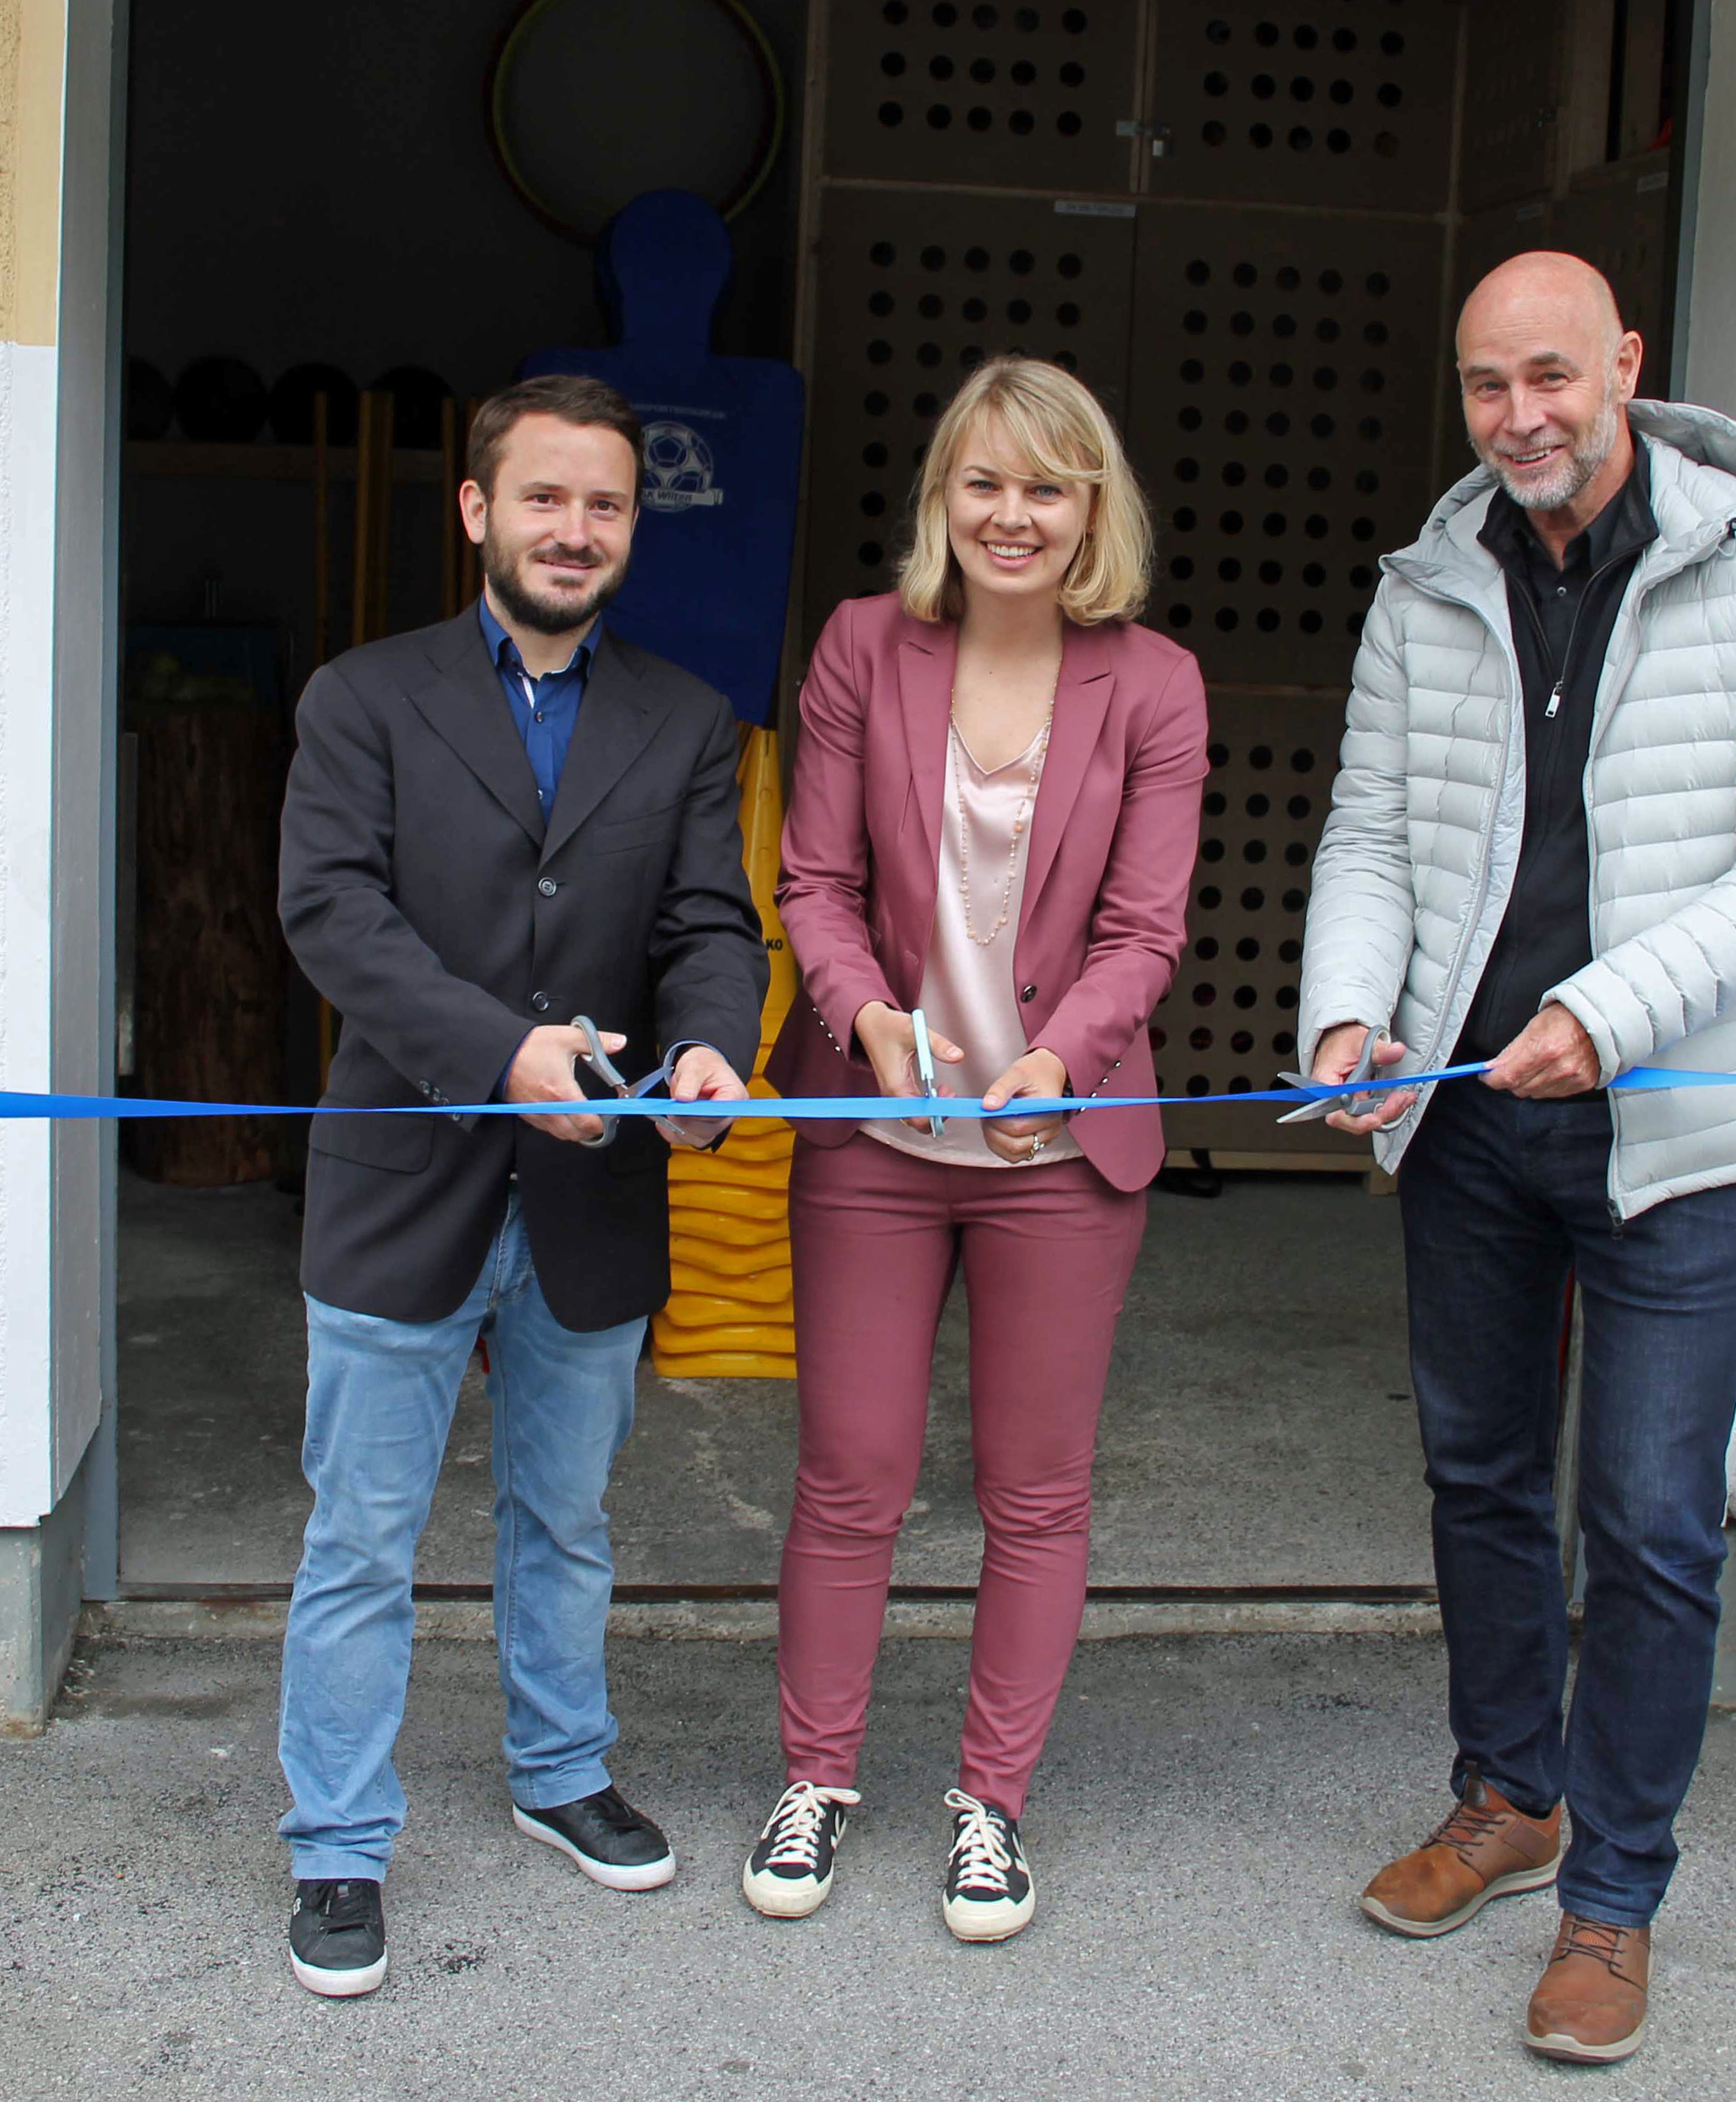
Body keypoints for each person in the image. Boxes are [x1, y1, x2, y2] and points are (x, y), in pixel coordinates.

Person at [1297, 253, 1736, 2063]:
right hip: (1470, 1116)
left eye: (1551, 374)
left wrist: (1612, 1019)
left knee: (1648, 1525)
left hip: (1675, 1133)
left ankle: (1614, 1898)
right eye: (1484, 385)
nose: (1520, 416)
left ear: (1626, 364)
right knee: (1478, 1479)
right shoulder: (1430, 581)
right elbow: (1372, 829)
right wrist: (1345, 1016)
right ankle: (1509, 1795)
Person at [272, 373, 769, 1997]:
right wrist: (503, 1053)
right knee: (363, 1536)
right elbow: (334, 915)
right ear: (479, 510)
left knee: (566, 1520)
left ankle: (565, 1773)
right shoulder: (364, 696)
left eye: (606, 503)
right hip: (401, 1174)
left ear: (634, 524)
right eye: (545, 498)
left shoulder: (689, 720)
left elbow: (710, 925)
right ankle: (339, 1847)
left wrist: (706, 1050)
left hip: (598, 1192)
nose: (576, 529)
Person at [752, 357, 1207, 1942]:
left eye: (1049, 485)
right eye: (985, 482)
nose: (1015, 514)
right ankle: (814, 1778)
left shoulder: (1154, 684)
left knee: (1035, 1492)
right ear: (943, 496)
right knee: (851, 1473)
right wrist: (864, 1012)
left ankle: (991, 1806)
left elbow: (1148, 935)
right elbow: (812, 877)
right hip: (875, 1132)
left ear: (1096, 509)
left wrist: (1055, 1059)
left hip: (1061, 1154)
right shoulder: (864, 649)